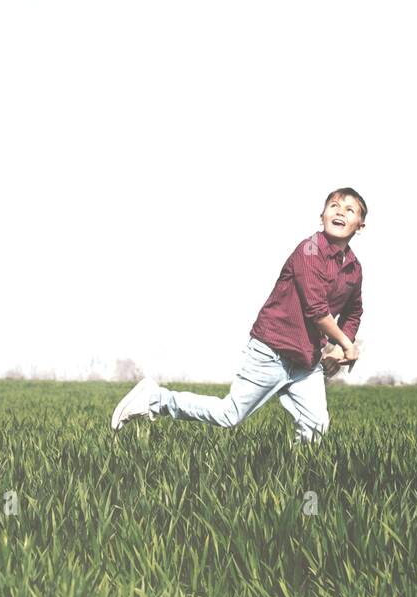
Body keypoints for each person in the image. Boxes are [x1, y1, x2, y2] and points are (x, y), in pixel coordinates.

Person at [111, 187, 366, 445]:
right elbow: (317, 310)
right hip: (271, 353)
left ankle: (297, 476)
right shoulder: (309, 251)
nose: (340, 212)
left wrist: (336, 348)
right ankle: (155, 399)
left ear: (360, 225)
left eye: (349, 209)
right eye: (334, 205)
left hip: (306, 361)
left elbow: (353, 311)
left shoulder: (353, 268)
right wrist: (347, 345)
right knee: (229, 414)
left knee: (316, 425)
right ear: (321, 215)